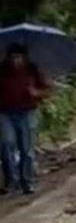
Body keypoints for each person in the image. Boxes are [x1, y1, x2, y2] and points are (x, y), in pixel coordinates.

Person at [0, 44, 49, 196]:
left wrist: (36, 93)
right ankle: (11, 182)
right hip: (5, 113)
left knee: (26, 149)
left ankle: (27, 182)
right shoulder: (2, 70)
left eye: (19, 57)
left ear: (24, 57)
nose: (16, 61)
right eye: (13, 57)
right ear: (8, 58)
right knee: (6, 145)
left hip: (27, 113)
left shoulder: (32, 70)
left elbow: (48, 89)